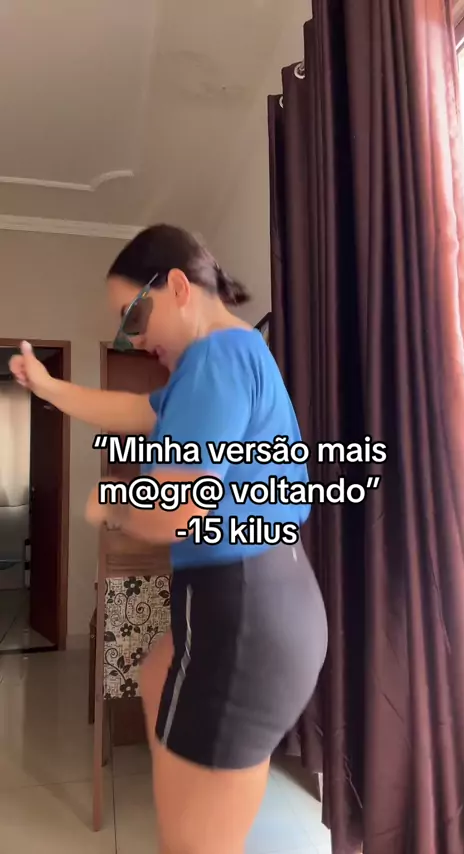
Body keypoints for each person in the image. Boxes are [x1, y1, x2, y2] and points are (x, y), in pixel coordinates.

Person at [10, 224, 328, 854]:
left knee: (191, 844)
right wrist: (46, 388)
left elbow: (176, 508)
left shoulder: (215, 359)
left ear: (178, 287)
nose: (130, 337)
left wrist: (112, 506)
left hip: (242, 613)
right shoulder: (228, 358)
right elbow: (132, 412)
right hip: (265, 603)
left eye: (133, 315)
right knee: (159, 673)